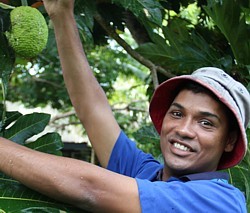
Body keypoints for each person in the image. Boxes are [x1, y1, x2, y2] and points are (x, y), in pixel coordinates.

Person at [0, 0, 249, 212]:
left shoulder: (220, 201)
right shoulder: (145, 174)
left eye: (206, 122)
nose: (184, 129)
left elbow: (90, 188)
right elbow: (92, 110)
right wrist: (62, 14)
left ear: (229, 140)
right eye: (177, 113)